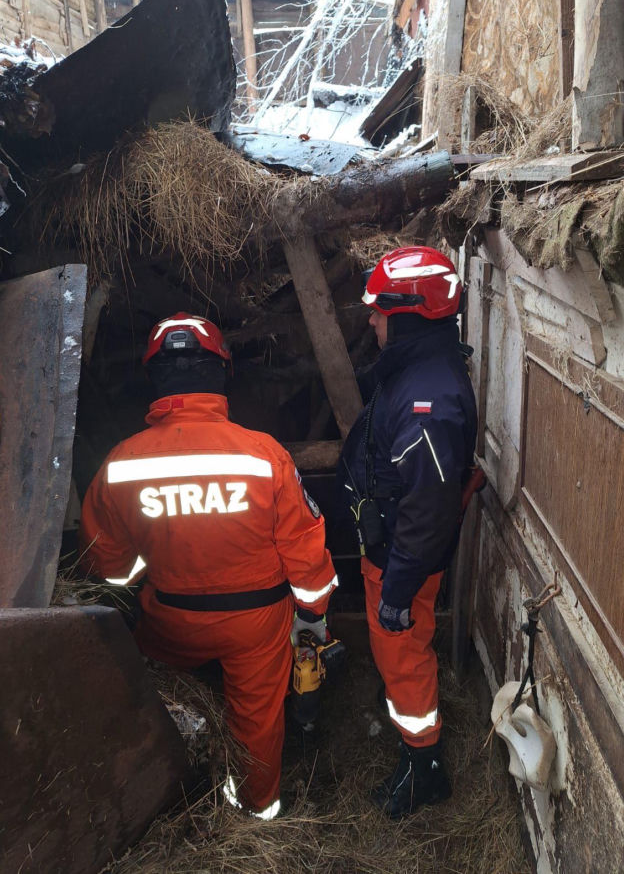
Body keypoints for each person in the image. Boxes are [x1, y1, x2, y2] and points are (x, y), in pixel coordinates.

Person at [79, 312, 338, 820]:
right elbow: (306, 551)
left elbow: (107, 567)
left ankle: (171, 801)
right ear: (221, 374)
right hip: (257, 625)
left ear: (154, 379)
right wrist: (313, 615)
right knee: (258, 724)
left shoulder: (120, 465)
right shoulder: (264, 456)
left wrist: (146, 588)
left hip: (168, 622)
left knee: (156, 701)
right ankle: (255, 814)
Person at [339, 246, 478, 818]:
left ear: (407, 315)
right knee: (397, 653)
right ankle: (406, 716)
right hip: (395, 551)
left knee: (402, 654)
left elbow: (424, 511)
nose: (371, 320)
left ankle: (425, 768)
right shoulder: (419, 371)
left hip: (401, 561)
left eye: (378, 310)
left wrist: (396, 592)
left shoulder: (427, 402)